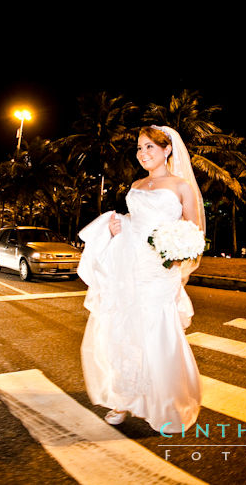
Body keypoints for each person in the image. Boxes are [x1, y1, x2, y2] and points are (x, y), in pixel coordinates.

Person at [78, 125, 205, 433]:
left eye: (150, 147)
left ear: (167, 150)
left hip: (160, 271)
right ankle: (124, 398)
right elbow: (136, 220)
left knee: (156, 331)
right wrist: (116, 226)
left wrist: (179, 250)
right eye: (139, 148)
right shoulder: (137, 183)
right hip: (129, 263)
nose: (143, 153)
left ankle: (165, 402)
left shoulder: (180, 186)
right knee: (124, 329)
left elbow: (194, 229)